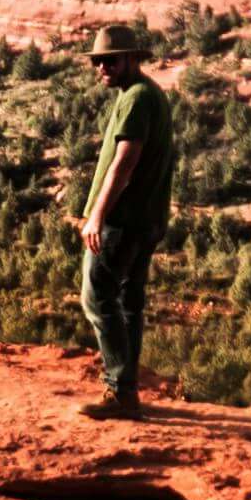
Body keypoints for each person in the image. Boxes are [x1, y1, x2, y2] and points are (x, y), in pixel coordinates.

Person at [72, 23, 180, 414]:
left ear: (133, 59)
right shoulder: (146, 94)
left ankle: (119, 390)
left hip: (123, 220)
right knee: (128, 301)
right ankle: (128, 391)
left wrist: (97, 215)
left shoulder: (136, 98)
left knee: (97, 295)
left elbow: (125, 162)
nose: (102, 68)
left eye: (110, 61)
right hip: (147, 217)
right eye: (98, 62)